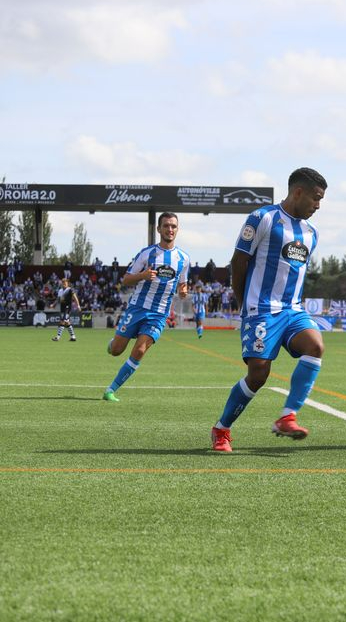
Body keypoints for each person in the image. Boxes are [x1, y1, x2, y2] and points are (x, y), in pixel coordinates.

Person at [210, 168, 327, 453]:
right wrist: (243, 304)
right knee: (259, 374)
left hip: (293, 310)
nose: (318, 205)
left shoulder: (311, 234)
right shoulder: (262, 218)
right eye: (315, 198)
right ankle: (221, 429)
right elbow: (238, 262)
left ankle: (288, 416)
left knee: (315, 346)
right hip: (260, 308)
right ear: (298, 192)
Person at [102, 212, 190, 402]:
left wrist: (183, 291)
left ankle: (111, 390)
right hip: (138, 308)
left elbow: (182, 284)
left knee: (140, 350)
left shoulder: (183, 259)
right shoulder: (146, 253)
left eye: (173, 226)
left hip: (159, 314)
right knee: (117, 350)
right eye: (166, 225)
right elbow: (125, 279)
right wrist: (142, 276)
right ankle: (113, 343)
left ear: (177, 230)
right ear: (159, 229)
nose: (170, 229)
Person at [51, 277, 81, 342]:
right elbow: (58, 299)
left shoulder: (70, 290)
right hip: (62, 308)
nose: (64, 283)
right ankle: (73, 337)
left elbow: (75, 298)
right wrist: (53, 304)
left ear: (67, 283)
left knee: (62, 321)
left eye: (65, 282)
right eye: (63, 282)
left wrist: (78, 305)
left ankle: (57, 337)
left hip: (67, 308)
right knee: (67, 322)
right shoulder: (60, 291)